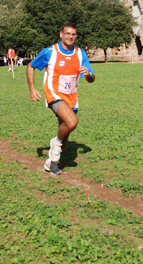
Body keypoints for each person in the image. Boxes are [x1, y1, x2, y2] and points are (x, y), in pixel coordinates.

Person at [26, 22, 95, 175]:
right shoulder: (50, 52)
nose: (70, 37)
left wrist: (89, 74)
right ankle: (55, 142)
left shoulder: (80, 53)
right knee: (72, 122)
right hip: (54, 95)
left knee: (65, 133)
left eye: (73, 34)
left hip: (71, 98)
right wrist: (32, 88)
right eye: (67, 33)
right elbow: (31, 66)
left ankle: (51, 163)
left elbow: (91, 78)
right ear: (61, 34)